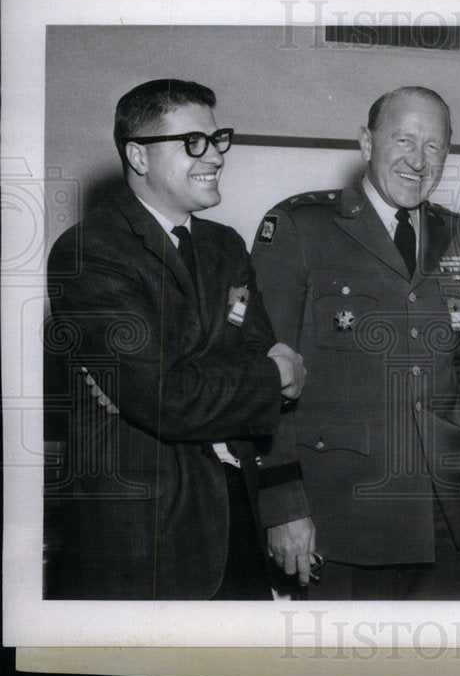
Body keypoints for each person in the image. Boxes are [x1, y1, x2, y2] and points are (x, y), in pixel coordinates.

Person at [46, 79, 305, 599]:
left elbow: (227, 364)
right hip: (146, 538)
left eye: (217, 138)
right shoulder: (90, 250)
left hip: (237, 518)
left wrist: (198, 376)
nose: (215, 155)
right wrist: (272, 375)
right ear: (138, 156)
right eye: (193, 142)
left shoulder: (224, 244)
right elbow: (167, 398)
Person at [250, 86, 460, 599]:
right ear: (366, 143)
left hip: (449, 513)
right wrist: (283, 504)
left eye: (435, 145)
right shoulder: (301, 226)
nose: (418, 160)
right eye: (404, 139)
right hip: (340, 515)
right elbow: (261, 375)